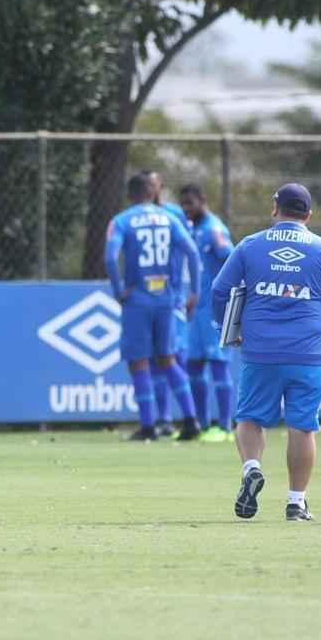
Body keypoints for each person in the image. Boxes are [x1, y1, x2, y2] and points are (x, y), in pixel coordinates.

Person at [212, 183, 321, 521]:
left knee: (249, 418)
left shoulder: (251, 245)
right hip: (307, 353)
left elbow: (219, 289)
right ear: (309, 214)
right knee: (302, 427)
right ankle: (296, 503)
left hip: (259, 350)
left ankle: (252, 467)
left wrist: (226, 328)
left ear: (274, 208)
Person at [105, 174, 202, 441]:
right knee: (168, 359)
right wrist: (195, 291)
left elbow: (111, 257)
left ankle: (148, 426)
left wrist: (118, 290)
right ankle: (192, 420)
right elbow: (193, 253)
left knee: (138, 362)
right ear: (151, 193)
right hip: (166, 299)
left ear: (130, 195)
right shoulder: (169, 218)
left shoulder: (122, 221)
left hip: (138, 299)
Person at [178, 183, 235, 443]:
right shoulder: (192, 229)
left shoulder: (214, 229)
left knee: (218, 363)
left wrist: (226, 295)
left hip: (216, 309)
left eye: (190, 203)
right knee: (194, 364)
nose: (186, 209)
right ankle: (202, 425)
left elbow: (232, 258)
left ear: (203, 201)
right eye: (183, 204)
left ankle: (225, 427)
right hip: (197, 310)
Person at [144, 170, 192, 437]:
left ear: (161, 186)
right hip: (147, 299)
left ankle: (191, 417)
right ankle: (163, 419)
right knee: (153, 361)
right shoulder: (137, 215)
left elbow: (188, 250)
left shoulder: (173, 214)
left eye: (155, 184)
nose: (152, 189)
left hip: (171, 297)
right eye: (147, 185)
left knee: (175, 357)